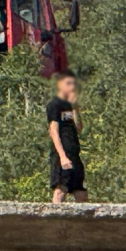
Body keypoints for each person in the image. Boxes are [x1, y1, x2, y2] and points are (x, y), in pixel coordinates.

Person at [47, 70, 88, 203]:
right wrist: (63, 156)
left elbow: (79, 128)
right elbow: (53, 130)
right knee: (60, 190)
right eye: (68, 83)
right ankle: (54, 221)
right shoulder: (55, 104)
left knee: (81, 192)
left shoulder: (69, 106)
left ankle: (83, 223)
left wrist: (75, 108)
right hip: (62, 155)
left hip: (74, 154)